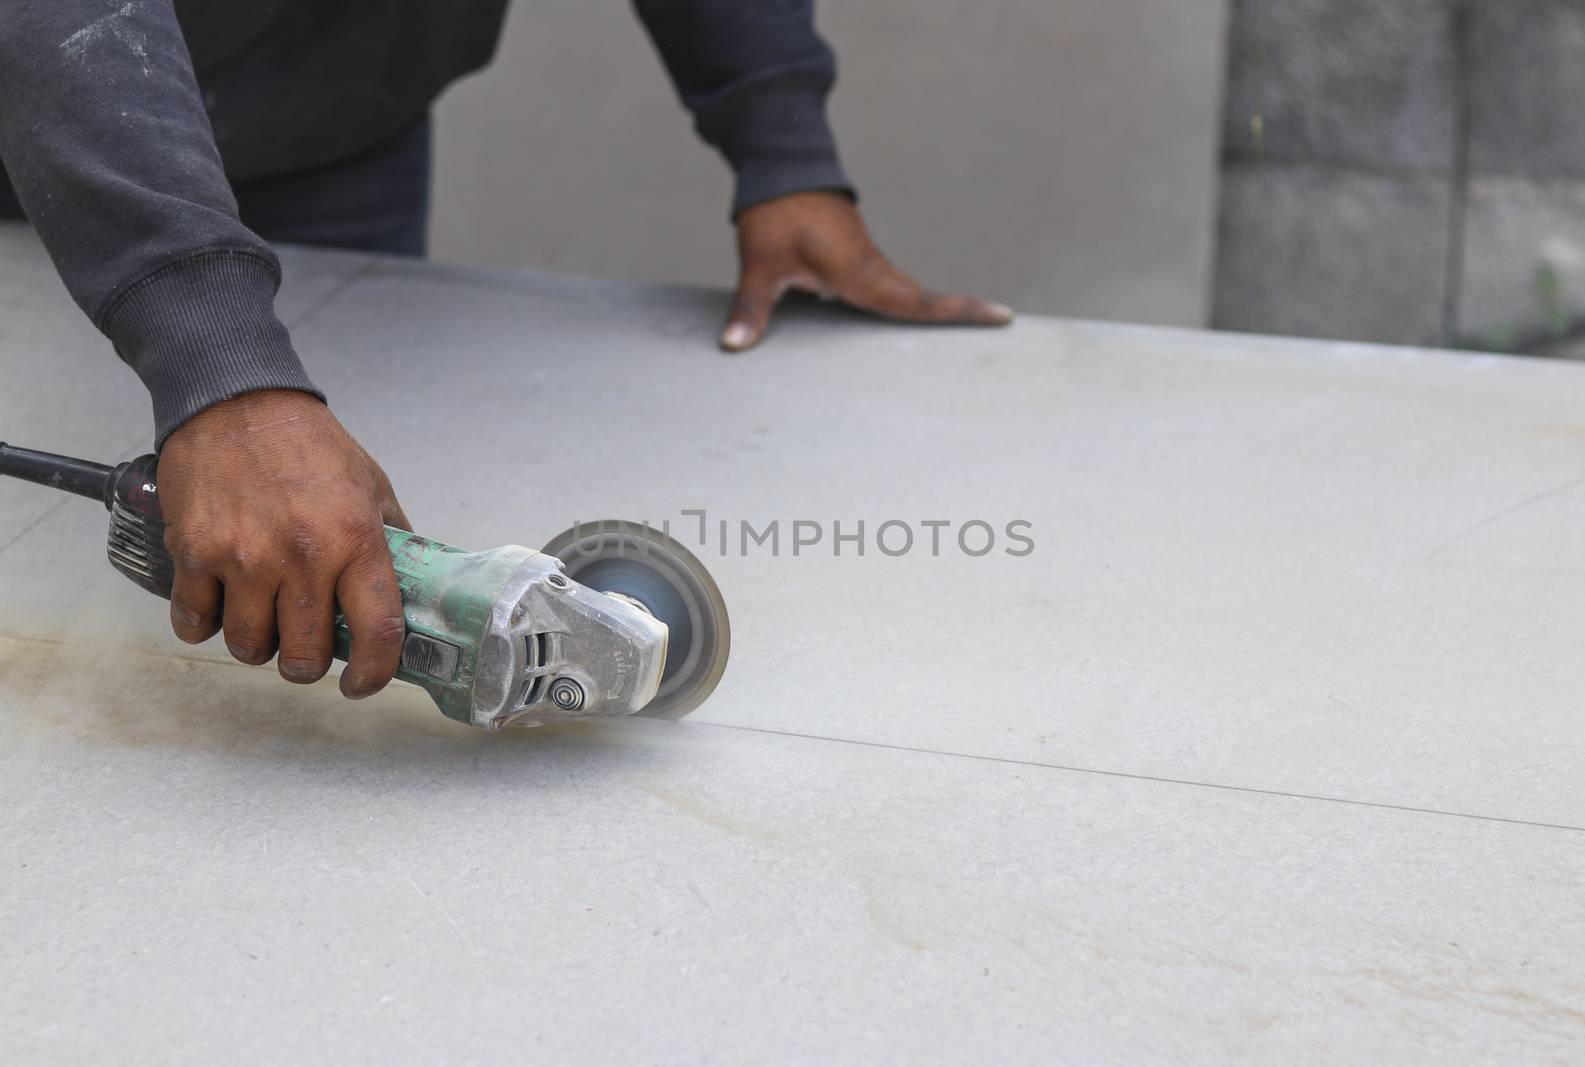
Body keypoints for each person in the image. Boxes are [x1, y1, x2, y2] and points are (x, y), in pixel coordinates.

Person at [0, 2, 1011, 702]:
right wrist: (222, 368)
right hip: (38, 110)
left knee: (313, 532)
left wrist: (780, 143)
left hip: (339, 124)